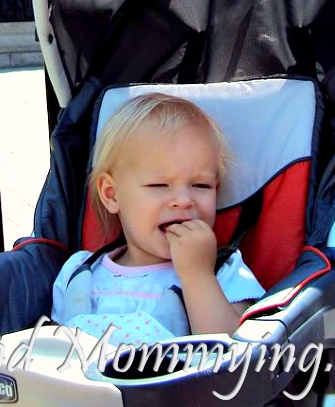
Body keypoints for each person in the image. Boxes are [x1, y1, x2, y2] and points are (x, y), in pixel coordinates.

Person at [51, 93, 264, 346]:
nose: (184, 200)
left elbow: (235, 356)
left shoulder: (223, 272)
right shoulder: (80, 271)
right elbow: (55, 352)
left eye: (201, 185)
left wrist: (198, 275)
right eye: (159, 185)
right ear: (111, 194)